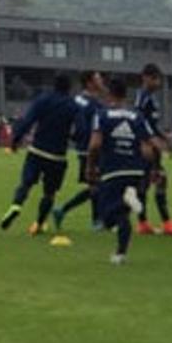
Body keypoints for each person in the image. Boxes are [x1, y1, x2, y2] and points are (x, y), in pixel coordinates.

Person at [86, 76, 165, 266]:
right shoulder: (137, 116)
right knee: (123, 215)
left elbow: (95, 145)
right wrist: (155, 168)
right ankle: (120, 254)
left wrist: (90, 167)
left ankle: (126, 199)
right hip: (136, 171)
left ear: (110, 94)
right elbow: (153, 146)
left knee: (106, 216)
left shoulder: (102, 115)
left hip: (112, 170)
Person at [0, 73, 77, 235]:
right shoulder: (73, 105)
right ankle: (39, 224)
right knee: (49, 193)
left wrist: (15, 141)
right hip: (57, 156)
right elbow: (81, 129)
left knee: (25, 184)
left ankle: (16, 206)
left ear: (53, 86)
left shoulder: (43, 99)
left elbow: (28, 120)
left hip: (37, 151)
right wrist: (72, 137)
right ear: (69, 88)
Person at [48, 70, 110, 246]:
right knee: (96, 184)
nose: (102, 81)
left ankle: (97, 219)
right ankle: (92, 219)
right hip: (89, 148)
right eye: (98, 79)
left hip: (86, 146)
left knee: (96, 185)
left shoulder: (79, 100)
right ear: (90, 82)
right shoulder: (91, 104)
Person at [133, 63, 172, 236]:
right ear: (146, 78)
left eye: (159, 79)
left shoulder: (151, 98)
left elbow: (152, 124)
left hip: (152, 144)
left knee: (148, 183)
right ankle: (166, 224)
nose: (158, 83)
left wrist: (164, 137)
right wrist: (148, 141)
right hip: (146, 147)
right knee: (158, 179)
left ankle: (143, 223)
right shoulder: (142, 97)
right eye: (155, 79)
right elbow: (139, 119)